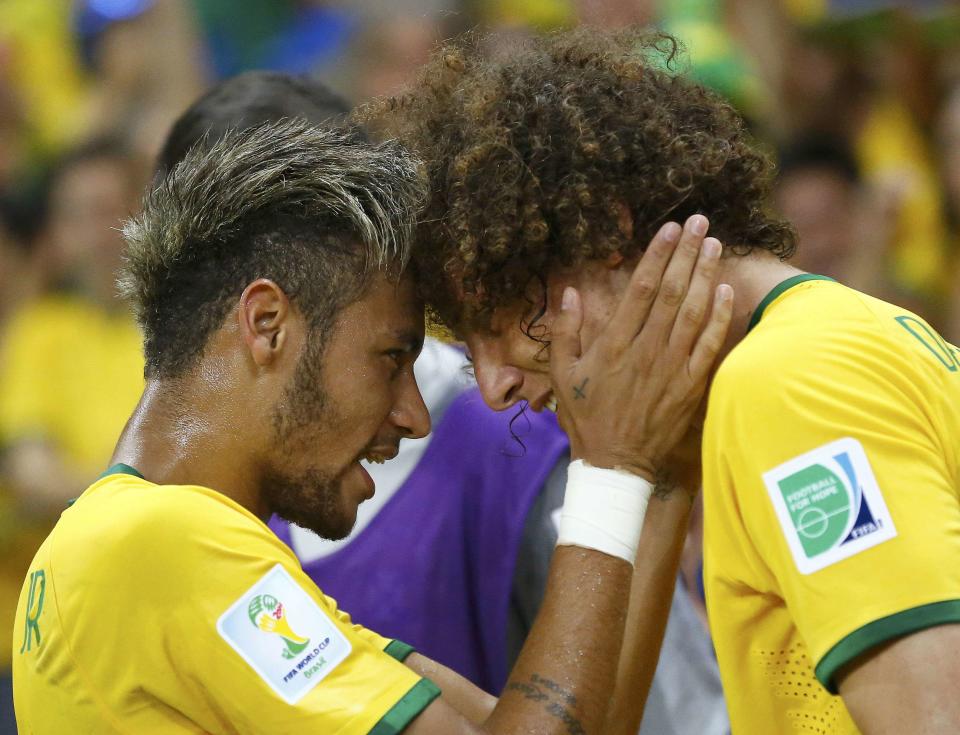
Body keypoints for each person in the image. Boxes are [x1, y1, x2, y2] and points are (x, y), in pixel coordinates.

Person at [13, 118, 732, 732]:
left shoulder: (130, 544)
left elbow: (574, 723)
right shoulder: (161, 544)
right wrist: (609, 465)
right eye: (392, 357)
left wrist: (659, 476)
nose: (414, 416)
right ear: (267, 325)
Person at [377, 28, 960, 734]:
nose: (495, 386)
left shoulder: (788, 381)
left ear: (605, 234)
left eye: (500, 316)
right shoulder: (782, 368)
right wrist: (646, 472)